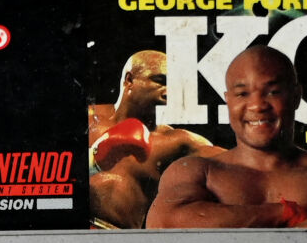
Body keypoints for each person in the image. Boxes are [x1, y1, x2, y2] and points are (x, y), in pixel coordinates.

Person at [147, 44, 307, 230]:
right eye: (242, 94)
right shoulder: (196, 171)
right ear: (228, 101)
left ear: (296, 96)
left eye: (273, 92)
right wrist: (283, 213)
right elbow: (164, 223)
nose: (257, 105)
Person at [86, 49, 213, 229]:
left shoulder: (177, 141)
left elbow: (234, 163)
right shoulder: (88, 119)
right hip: (67, 228)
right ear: (129, 80)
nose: (169, 91)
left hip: (118, 238)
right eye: (160, 81)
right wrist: (93, 159)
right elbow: (47, 162)